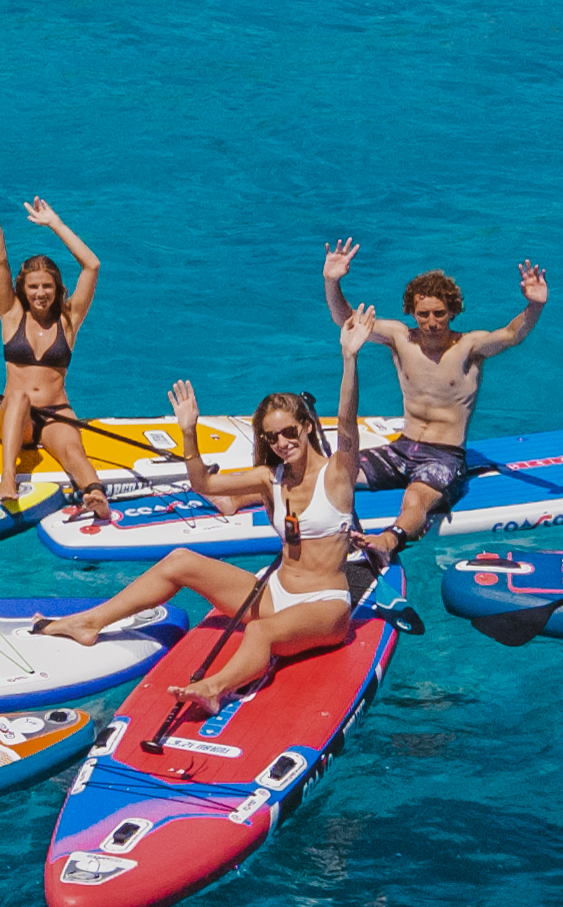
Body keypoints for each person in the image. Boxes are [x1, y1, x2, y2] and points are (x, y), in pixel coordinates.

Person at [38, 309, 382, 725]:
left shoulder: (338, 473)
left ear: (307, 427)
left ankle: (214, 688)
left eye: (290, 432)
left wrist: (350, 358)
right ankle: (90, 623)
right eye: (272, 437)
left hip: (325, 608)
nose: (282, 442)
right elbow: (202, 484)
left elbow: (347, 424)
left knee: (259, 632)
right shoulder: (266, 477)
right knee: (180, 560)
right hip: (273, 594)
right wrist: (188, 432)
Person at [321, 241, 546, 568]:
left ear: (452, 311)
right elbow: (346, 320)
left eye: (439, 313)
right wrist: (332, 281)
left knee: (415, 499)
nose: (431, 321)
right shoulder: (400, 337)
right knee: (333, 470)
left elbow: (511, 334)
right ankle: (236, 496)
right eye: (423, 314)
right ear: (412, 313)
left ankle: (388, 540)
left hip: (445, 456)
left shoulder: (469, 346)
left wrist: (534, 306)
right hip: (402, 449)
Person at [0, 169, 107, 511]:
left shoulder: (69, 318)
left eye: (46, 286)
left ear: (57, 287)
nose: (40, 293)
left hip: (56, 412)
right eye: (33, 287)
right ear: (23, 289)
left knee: (74, 451)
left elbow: (92, 266)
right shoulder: (11, 315)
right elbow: (0, 259)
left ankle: (95, 495)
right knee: (16, 395)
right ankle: (8, 477)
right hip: (15, 417)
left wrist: (55, 223)